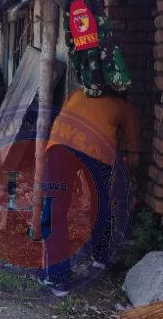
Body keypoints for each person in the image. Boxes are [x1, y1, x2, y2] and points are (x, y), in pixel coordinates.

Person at [37, 89, 140, 297]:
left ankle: (58, 278)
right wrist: (131, 176)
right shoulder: (125, 105)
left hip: (62, 145)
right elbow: (134, 149)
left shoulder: (77, 92)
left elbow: (62, 117)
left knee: (55, 207)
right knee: (100, 202)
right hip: (98, 151)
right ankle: (101, 258)